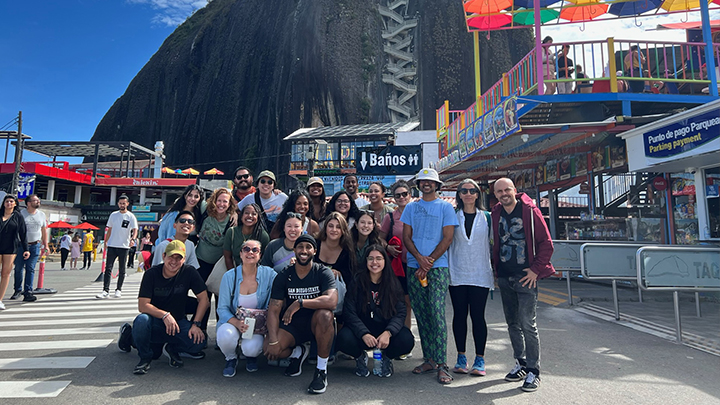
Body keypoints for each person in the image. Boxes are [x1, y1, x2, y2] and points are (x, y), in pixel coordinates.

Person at [492, 177, 555, 392]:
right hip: (505, 276)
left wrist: (535, 270)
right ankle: (520, 362)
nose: (503, 194)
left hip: (525, 277)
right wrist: (495, 271)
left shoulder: (529, 211)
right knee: (512, 323)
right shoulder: (496, 213)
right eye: (499, 191)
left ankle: (533, 371)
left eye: (507, 189)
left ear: (515, 190)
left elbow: (546, 244)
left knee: (528, 324)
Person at [401, 168, 458, 385]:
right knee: (422, 314)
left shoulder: (445, 207)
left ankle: (443, 364)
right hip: (415, 267)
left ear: (437, 185)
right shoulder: (411, 207)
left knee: (436, 312)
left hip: (438, 268)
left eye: (430, 181)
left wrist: (429, 261)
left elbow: (448, 237)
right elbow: (407, 237)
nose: (426, 184)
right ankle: (430, 359)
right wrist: (419, 259)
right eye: (423, 181)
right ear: (418, 184)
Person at [117, 240, 209, 375]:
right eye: (171, 256)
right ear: (164, 256)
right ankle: (139, 349)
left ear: (184, 259)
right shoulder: (152, 274)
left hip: (177, 321)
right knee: (141, 321)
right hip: (154, 320)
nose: (174, 261)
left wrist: (196, 324)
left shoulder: (189, 272)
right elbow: (143, 305)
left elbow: (204, 300)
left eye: (179, 258)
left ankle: (171, 347)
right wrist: (164, 315)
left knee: (199, 342)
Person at [264, 234, 337, 395]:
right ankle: (298, 352)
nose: (304, 251)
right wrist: (274, 340)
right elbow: (274, 309)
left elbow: (332, 301)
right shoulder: (284, 275)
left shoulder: (323, 272)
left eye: (308, 247)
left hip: (316, 323)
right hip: (292, 325)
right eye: (300, 247)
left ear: (315, 251)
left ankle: (321, 371)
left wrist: (300, 302)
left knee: (325, 315)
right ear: (294, 250)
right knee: (269, 350)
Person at [336, 246, 414, 378]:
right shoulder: (357, 281)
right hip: (363, 328)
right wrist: (363, 333)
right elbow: (349, 312)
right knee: (343, 338)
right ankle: (360, 357)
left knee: (406, 340)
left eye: (379, 258)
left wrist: (388, 333)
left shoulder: (393, 282)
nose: (374, 262)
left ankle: (386, 358)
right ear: (366, 261)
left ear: (385, 261)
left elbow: (400, 313)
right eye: (370, 259)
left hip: (385, 329)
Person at [448, 179, 494, 376]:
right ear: (458, 194)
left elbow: (495, 244)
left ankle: (480, 359)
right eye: (463, 190)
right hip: (457, 272)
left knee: (478, 316)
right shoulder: (451, 216)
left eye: (472, 190)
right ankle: (461, 357)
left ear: (477, 194)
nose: (468, 193)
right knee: (459, 315)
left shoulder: (488, 217)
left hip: (480, 273)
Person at [217, 239, 277, 376]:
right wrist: (237, 323)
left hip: (256, 325)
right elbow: (222, 308)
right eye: (246, 249)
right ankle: (231, 358)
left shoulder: (269, 274)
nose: (250, 252)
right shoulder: (229, 276)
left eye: (255, 250)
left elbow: (282, 285)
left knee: (252, 348)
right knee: (226, 335)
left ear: (260, 255)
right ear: (240, 253)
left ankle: (251, 356)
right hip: (233, 321)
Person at [379, 180, 413, 332]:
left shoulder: (418, 213)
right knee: (401, 302)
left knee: (413, 303)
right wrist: (388, 247)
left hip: (417, 264)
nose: (401, 197)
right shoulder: (390, 217)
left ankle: (407, 336)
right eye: (397, 195)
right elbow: (380, 238)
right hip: (398, 266)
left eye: (404, 194)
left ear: (410, 195)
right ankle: (398, 334)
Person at [96, 195, 138, 299]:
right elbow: (109, 229)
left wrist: (133, 239)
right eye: (120, 203)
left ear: (127, 204)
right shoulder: (113, 215)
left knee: (122, 269)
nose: (122, 205)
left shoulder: (130, 216)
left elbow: (135, 229)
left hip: (124, 245)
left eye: (124, 203)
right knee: (108, 268)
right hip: (112, 244)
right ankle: (105, 290)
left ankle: (118, 289)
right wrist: (105, 242)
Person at [11, 194, 47, 302]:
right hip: (21, 245)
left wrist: (46, 245)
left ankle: (28, 291)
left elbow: (44, 230)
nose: (38, 202)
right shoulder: (20, 214)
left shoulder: (41, 215)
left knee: (30, 269)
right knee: (18, 268)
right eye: (35, 200)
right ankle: (18, 289)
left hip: (35, 245)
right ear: (28, 203)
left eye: (38, 200)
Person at [0, 195, 30, 310]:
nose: (9, 203)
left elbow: (23, 233)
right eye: (7, 201)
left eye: (11, 201)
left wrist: (26, 249)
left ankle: (0, 299)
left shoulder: (18, 216)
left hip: (11, 247)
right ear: (3, 203)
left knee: (5, 273)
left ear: (15, 204)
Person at [224, 203, 270, 272]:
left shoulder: (263, 236)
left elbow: (263, 260)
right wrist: (234, 275)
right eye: (246, 213)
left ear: (258, 217)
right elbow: (227, 257)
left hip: (254, 273)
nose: (250, 216)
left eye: (254, 214)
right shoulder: (231, 232)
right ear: (241, 216)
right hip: (233, 270)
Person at [315, 212, 356, 284]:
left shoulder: (347, 250)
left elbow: (350, 276)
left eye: (338, 227)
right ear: (325, 228)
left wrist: (339, 274)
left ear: (343, 230)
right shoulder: (315, 244)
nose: (334, 230)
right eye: (330, 226)